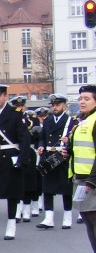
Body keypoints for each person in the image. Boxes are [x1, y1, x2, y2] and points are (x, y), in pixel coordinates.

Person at [0, 83, 32, 240]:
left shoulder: (16, 114)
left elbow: (24, 139)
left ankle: (11, 227)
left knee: (12, 193)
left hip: (10, 157)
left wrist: (22, 160)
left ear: (5, 96)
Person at [68, 85, 96, 253]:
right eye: (80, 98)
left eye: (87, 98)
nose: (82, 102)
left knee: (93, 220)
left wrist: (92, 181)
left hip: (91, 180)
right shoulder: (82, 121)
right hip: (80, 178)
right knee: (88, 220)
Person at [37, 93, 75, 230]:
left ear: (64, 106)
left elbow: (75, 141)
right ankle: (48, 218)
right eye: (53, 105)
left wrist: (68, 143)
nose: (55, 108)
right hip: (49, 156)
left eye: (58, 105)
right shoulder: (47, 121)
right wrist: (41, 146)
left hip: (63, 157)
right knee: (47, 188)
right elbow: (42, 137)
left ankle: (67, 217)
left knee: (66, 189)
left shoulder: (71, 121)